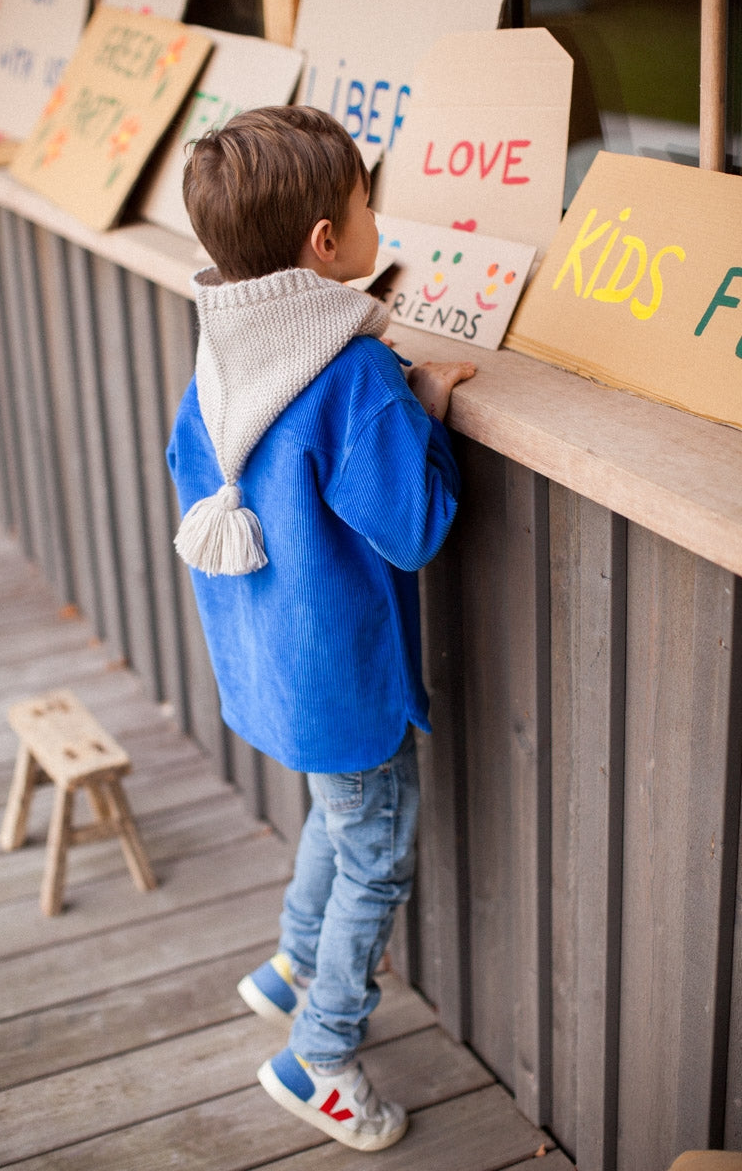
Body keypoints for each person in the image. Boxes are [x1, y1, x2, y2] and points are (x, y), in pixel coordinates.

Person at [167, 104, 475, 1153]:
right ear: (324, 245)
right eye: (363, 200)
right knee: (377, 856)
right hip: (343, 680)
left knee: (338, 819)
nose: (372, 213)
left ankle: (292, 958)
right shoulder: (350, 375)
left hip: (269, 667)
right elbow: (414, 528)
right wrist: (422, 412)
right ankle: (322, 1051)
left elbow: (196, 479)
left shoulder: (224, 353)